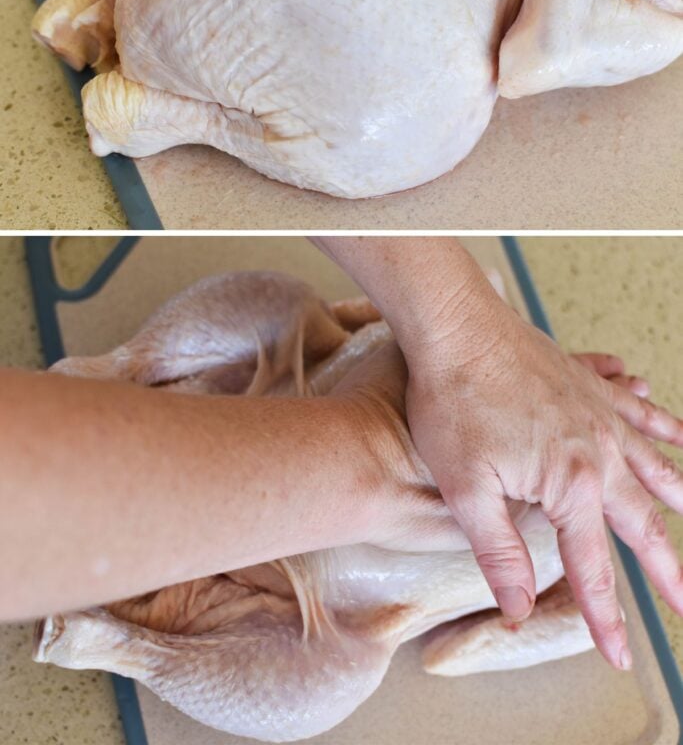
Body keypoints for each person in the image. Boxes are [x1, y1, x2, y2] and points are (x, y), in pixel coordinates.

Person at [1, 237, 681, 676]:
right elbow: (451, 656)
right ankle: (115, 371)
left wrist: (464, 326)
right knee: (285, 308)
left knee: (331, 681)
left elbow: (453, 650)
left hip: (303, 598)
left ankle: (122, 645)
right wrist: (384, 441)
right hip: (261, 469)